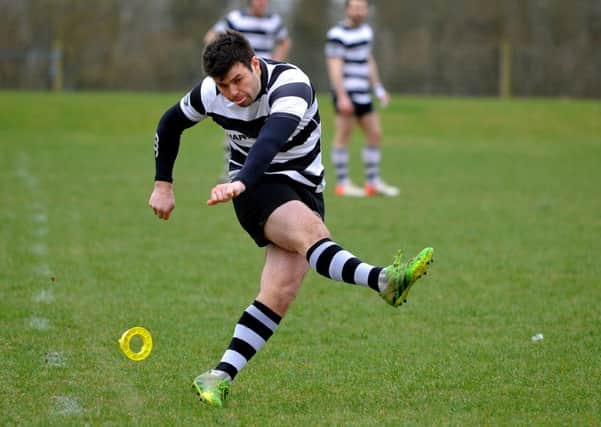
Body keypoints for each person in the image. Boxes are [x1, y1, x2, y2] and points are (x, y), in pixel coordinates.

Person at [148, 30, 434, 408]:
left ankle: (217, 376)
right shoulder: (209, 94)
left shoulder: (291, 84)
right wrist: (163, 184)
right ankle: (384, 279)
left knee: (279, 293)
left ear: (254, 64)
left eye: (238, 80)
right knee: (312, 234)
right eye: (223, 85)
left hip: (302, 187)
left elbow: (271, 140)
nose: (232, 92)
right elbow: (169, 125)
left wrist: (240, 180)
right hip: (256, 189)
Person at [204, 0, 291, 183]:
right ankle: (231, 173)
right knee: (236, 129)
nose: (261, 3)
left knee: (265, 128)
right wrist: (224, 59)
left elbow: (284, 42)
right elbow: (211, 36)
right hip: (238, 79)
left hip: (260, 82)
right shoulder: (236, 19)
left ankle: (262, 172)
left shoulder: (274, 21)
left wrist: (275, 62)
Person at [325, 0, 399, 197]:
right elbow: (334, 65)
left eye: (362, 8)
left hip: (363, 93)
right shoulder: (337, 34)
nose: (358, 12)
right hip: (346, 94)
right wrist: (341, 95)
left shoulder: (367, 31)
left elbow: (368, 59)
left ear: (367, 10)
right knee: (343, 136)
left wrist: (378, 88)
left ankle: (373, 182)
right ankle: (342, 184)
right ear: (347, 9)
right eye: (355, 8)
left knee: (375, 134)